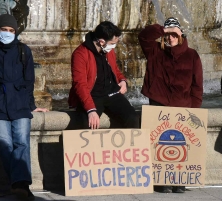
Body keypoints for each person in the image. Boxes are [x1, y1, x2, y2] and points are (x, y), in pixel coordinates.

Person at [138, 17, 203, 193]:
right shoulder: (155, 51)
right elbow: (144, 36)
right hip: (158, 103)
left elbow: (197, 87)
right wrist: (164, 30)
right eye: (168, 34)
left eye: (174, 34)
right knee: (160, 144)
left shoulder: (192, 55)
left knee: (180, 145)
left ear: (181, 35)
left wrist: (194, 111)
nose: (170, 38)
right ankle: (162, 180)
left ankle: (179, 180)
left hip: (182, 105)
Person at [0, 14, 48, 200]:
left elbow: (29, 80)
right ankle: (19, 183)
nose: (7, 33)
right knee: (4, 144)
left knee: (21, 143)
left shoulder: (23, 50)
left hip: (20, 104)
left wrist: (31, 105)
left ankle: (20, 185)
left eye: (11, 30)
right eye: (4, 29)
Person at [68, 21, 139, 129]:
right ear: (101, 42)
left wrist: (123, 81)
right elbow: (80, 84)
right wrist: (91, 110)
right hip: (92, 96)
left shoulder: (108, 50)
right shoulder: (80, 54)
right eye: (112, 44)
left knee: (132, 118)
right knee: (86, 124)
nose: (114, 47)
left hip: (112, 94)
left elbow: (115, 70)